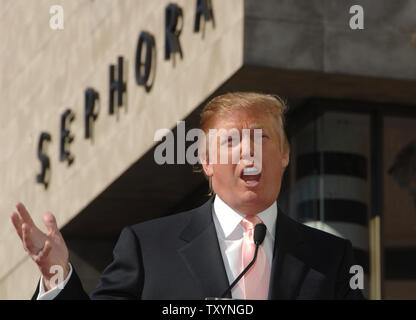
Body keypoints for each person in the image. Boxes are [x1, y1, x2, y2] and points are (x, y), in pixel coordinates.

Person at [11, 92, 364, 299]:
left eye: (261, 138)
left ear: (285, 154)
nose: (249, 153)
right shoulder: (147, 248)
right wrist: (57, 273)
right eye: (232, 142)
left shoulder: (330, 256)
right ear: (206, 162)